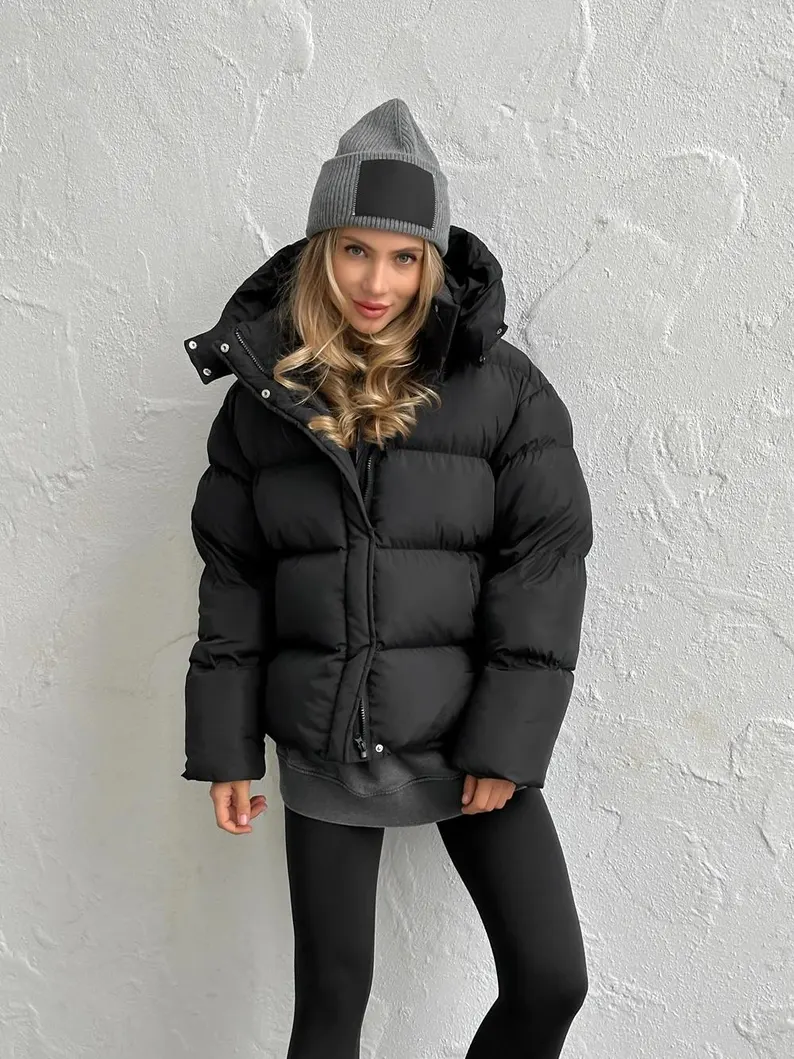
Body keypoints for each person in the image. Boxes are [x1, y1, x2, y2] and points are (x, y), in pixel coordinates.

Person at [182, 98, 593, 1059]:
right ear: (321, 251)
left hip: (466, 735)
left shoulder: (505, 391)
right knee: (331, 1002)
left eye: (406, 257)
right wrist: (227, 745)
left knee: (550, 979)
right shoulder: (265, 398)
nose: (379, 281)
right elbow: (234, 579)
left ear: (433, 262)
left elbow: (543, 564)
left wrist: (507, 741)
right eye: (356, 250)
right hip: (327, 736)